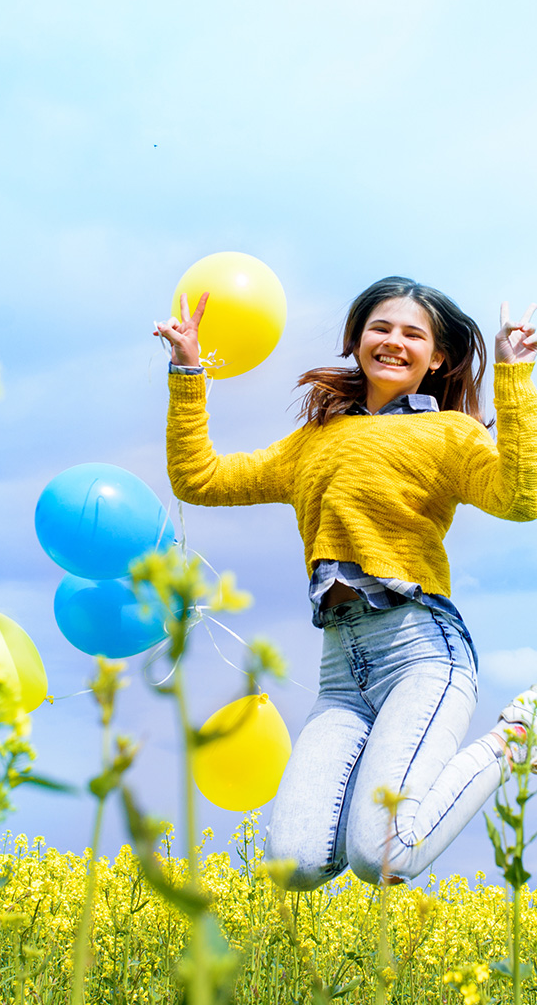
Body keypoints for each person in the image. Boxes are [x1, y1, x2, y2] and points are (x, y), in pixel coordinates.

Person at [154, 276, 537, 888]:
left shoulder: (450, 434)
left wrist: (515, 378)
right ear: (356, 340)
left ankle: (516, 738)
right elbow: (199, 479)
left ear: (437, 358)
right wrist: (187, 372)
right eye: (380, 327)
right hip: (341, 670)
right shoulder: (315, 441)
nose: (393, 341)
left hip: (420, 651)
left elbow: (523, 498)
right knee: (295, 867)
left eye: (414, 334)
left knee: (382, 856)